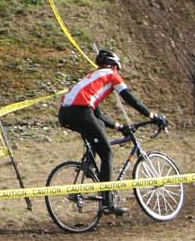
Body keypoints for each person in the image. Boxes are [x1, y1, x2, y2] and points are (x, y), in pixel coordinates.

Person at [57, 49, 166, 215]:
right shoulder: (111, 75)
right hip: (80, 112)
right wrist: (152, 116)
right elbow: (130, 98)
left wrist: (119, 126)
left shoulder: (92, 78)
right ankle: (107, 202)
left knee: (98, 127)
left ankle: (90, 166)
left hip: (66, 114)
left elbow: (97, 114)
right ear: (115, 66)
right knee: (107, 152)